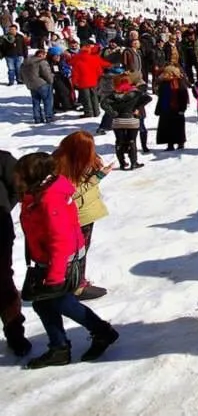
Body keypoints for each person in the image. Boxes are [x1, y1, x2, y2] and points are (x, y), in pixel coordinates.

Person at [14, 152, 118, 369]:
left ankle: (100, 332)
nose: (17, 179)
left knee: (61, 301)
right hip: (49, 259)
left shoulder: (50, 199)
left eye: (20, 175)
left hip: (60, 261)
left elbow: (59, 239)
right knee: (43, 303)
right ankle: (60, 347)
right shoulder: (40, 192)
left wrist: (55, 275)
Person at [52, 131, 113, 300]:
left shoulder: (69, 160)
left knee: (79, 250)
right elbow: (71, 193)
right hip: (79, 214)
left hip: (84, 212)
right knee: (78, 252)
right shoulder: (63, 166)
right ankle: (77, 286)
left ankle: (75, 281)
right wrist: (98, 177)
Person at [0, 149, 31, 357]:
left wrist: (4, 209)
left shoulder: (2, 159)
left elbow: (19, 187)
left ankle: (15, 333)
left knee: (2, 281)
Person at [101, 74, 152, 169]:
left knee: (119, 142)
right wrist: (136, 107)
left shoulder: (113, 95)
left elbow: (103, 104)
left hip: (118, 121)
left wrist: (113, 113)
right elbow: (148, 98)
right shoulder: (135, 93)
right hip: (132, 120)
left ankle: (122, 163)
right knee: (132, 141)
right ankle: (134, 163)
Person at [155, 65, 189, 151]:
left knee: (178, 126)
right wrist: (159, 109)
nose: (164, 75)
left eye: (166, 73)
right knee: (167, 127)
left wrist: (182, 109)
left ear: (171, 74)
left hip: (177, 108)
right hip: (165, 108)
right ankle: (170, 144)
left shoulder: (179, 82)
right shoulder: (163, 83)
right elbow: (160, 96)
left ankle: (180, 143)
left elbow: (184, 96)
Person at [19, 48, 55, 124]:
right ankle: (49, 117)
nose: (45, 56)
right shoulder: (41, 62)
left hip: (31, 85)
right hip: (42, 84)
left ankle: (37, 119)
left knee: (36, 102)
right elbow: (46, 73)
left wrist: (26, 82)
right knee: (47, 101)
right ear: (40, 55)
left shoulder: (24, 63)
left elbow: (20, 76)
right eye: (44, 54)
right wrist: (51, 81)